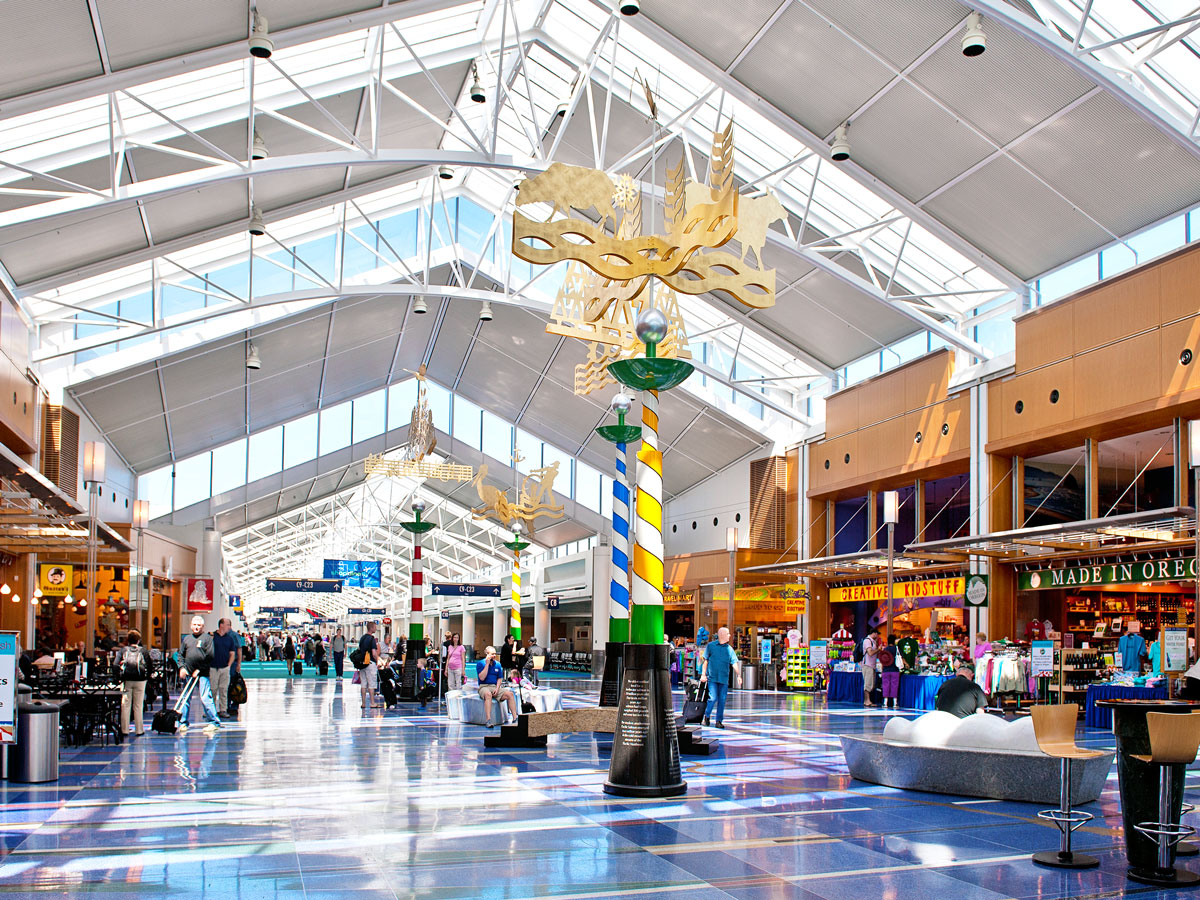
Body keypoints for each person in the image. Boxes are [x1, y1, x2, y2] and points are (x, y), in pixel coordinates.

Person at [179, 616, 221, 734]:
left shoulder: (207, 639)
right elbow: (181, 655)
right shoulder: (187, 639)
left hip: (202, 674)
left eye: (199, 625)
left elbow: (210, 656)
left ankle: (214, 722)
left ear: (203, 627)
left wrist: (199, 669)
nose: (196, 627)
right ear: (191, 625)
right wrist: (182, 668)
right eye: (195, 625)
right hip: (188, 673)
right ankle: (183, 722)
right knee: (185, 698)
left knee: (205, 697)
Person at [700, 626, 740, 729]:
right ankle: (707, 716)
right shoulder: (711, 646)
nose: (730, 635)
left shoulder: (729, 649)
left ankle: (719, 721)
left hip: (724, 679)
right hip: (712, 678)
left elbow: (734, 662)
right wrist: (703, 674)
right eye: (728, 634)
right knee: (712, 698)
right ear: (721, 635)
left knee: (722, 700)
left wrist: (738, 674)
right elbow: (706, 661)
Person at [118, 629, 152, 737]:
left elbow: (115, 665)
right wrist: (147, 677)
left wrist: (118, 677)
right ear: (138, 640)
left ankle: (124, 730)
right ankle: (139, 730)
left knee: (125, 705)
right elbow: (150, 665)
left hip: (127, 680)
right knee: (138, 705)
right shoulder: (143, 651)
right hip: (140, 680)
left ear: (128, 640)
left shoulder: (123, 650)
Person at [476, 646, 517, 727]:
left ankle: (515, 718)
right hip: (484, 686)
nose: (494, 656)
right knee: (488, 694)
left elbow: (499, 678)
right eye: (492, 654)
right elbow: (482, 677)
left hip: (494, 686)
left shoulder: (497, 664)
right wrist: (487, 665)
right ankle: (488, 720)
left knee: (510, 694)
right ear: (487, 654)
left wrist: (498, 689)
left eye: (495, 654)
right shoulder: (481, 664)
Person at [210, 618, 239, 719]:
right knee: (212, 689)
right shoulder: (211, 637)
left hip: (224, 668)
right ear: (221, 625)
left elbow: (232, 653)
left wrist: (229, 665)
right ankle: (211, 710)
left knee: (224, 689)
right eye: (228, 625)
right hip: (213, 667)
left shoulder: (229, 639)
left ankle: (223, 710)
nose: (229, 627)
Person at [359, 622, 381, 710]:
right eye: (375, 627)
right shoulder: (372, 639)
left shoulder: (362, 638)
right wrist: (378, 660)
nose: (376, 628)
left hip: (362, 664)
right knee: (371, 684)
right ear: (371, 628)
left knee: (363, 684)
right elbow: (374, 653)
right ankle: (372, 702)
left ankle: (363, 703)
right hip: (370, 663)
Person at [879, 634, 900, 710]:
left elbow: (882, 661)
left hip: (886, 670)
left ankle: (885, 702)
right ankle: (895, 702)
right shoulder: (897, 649)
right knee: (894, 685)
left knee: (885, 685)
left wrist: (882, 670)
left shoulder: (885, 649)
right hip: (895, 670)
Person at [861, 627, 880, 707]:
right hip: (867, 665)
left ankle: (868, 700)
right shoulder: (867, 641)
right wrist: (878, 649)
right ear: (874, 633)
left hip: (872, 665)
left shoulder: (873, 642)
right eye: (877, 634)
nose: (878, 636)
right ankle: (867, 700)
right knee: (868, 683)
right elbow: (870, 653)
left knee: (871, 683)